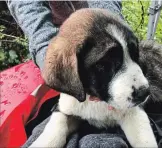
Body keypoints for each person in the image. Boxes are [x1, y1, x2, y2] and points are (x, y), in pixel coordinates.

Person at [6, 1, 129, 147]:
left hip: (107, 52)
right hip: (60, 58)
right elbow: (38, 28)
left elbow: (107, 13)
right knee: (48, 132)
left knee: (103, 137)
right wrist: (63, 72)